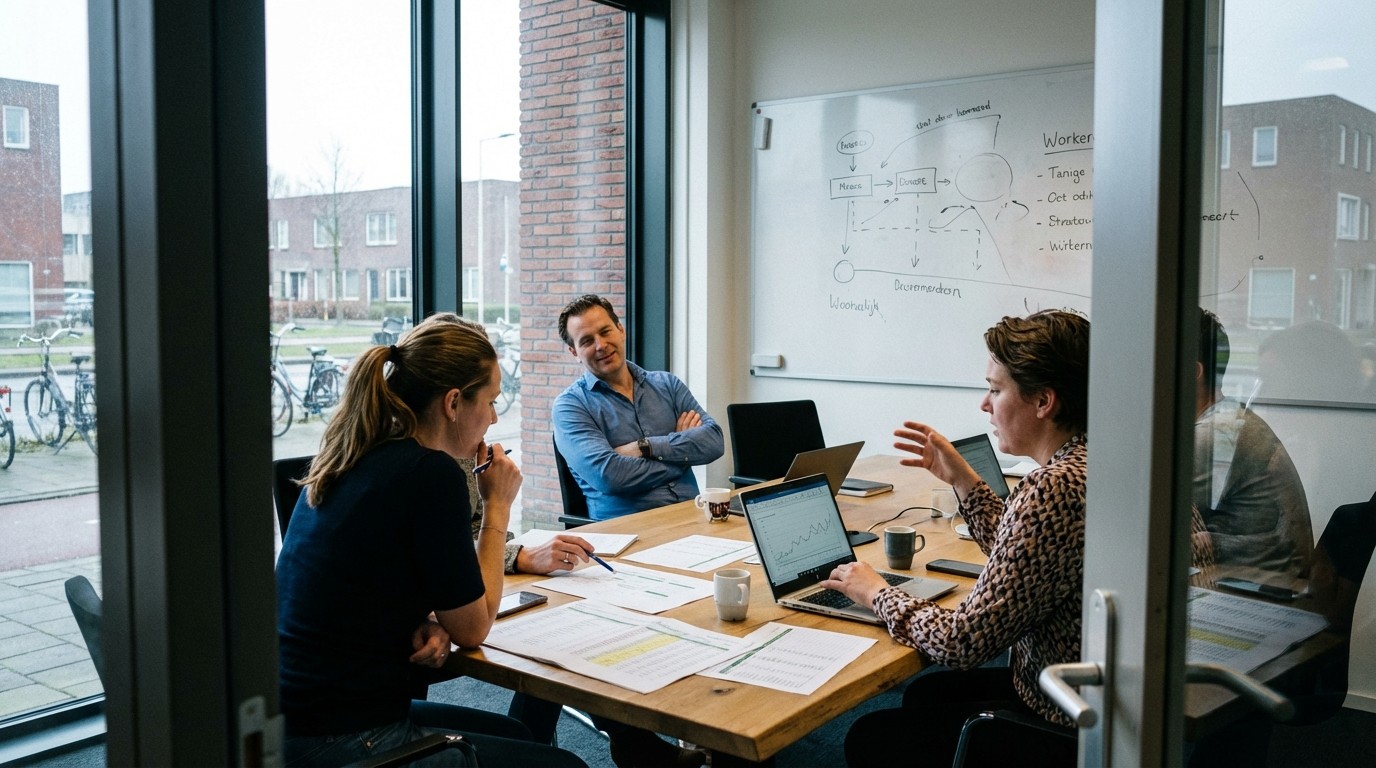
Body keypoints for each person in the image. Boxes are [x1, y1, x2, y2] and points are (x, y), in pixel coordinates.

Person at [276, 316, 586, 768]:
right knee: (566, 767)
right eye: (492, 401)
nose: (495, 417)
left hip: (291, 719)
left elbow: (363, 583)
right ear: (454, 402)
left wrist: (423, 617)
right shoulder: (430, 474)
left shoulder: (352, 454)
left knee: (518, 733)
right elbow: (475, 628)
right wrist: (497, 506)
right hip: (346, 737)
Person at [825, 310, 1091, 767]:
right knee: (927, 694)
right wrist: (964, 480)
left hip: (1061, 717)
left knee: (871, 737)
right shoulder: (1091, 459)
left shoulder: (1054, 488)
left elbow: (962, 644)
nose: (984, 405)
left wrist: (877, 593)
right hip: (1090, 692)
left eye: (995, 389)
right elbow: (1029, 556)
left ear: (1044, 401)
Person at [552, 294, 725, 520]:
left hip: (690, 518)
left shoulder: (668, 385)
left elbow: (714, 442)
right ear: (574, 352)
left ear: (620, 330)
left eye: (605, 332)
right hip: (627, 532)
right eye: (586, 341)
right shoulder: (570, 406)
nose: (601, 345)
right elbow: (610, 476)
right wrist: (682, 456)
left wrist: (645, 447)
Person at [1195, 308, 1313, 580]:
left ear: (1192, 372)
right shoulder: (1226, 419)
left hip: (1252, 594)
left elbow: (1152, 522)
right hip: (1258, 584)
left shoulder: (1213, 433)